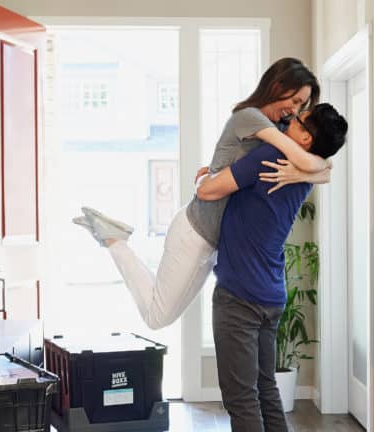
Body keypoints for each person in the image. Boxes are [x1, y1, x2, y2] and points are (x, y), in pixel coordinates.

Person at [74, 58, 331, 329]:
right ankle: (115, 240)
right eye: (295, 101)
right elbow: (304, 156)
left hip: (210, 241)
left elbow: (326, 169)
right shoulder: (250, 118)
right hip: (195, 232)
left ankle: (114, 237)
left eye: (301, 106)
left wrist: (301, 173)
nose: (295, 110)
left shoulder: (277, 125)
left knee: (159, 310)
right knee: (156, 317)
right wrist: (304, 167)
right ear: (278, 85)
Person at [197, 103, 348, 431]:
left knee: (241, 397)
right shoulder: (306, 174)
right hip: (270, 294)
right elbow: (325, 166)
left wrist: (206, 179)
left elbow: (208, 191)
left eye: (297, 120)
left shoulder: (270, 158)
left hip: (239, 296)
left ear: (305, 139)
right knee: (265, 389)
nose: (288, 120)